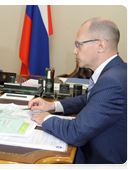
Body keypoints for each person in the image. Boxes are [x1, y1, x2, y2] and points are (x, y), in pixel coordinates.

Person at [29, 17, 129, 169]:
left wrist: (46, 119)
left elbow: (76, 132)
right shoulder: (118, 70)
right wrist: (52, 106)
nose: (75, 51)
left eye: (78, 45)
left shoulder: (112, 81)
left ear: (100, 45)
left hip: (100, 161)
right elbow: (90, 99)